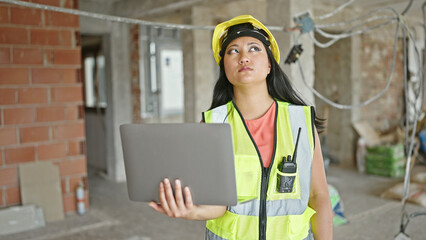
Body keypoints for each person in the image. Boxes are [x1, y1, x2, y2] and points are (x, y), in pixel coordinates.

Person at [149, 15, 333, 240]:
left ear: (268, 65)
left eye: (254, 48)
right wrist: (191, 211)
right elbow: (218, 206)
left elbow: (319, 195)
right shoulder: (212, 124)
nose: (244, 56)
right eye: (233, 51)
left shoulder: (300, 121)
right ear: (224, 67)